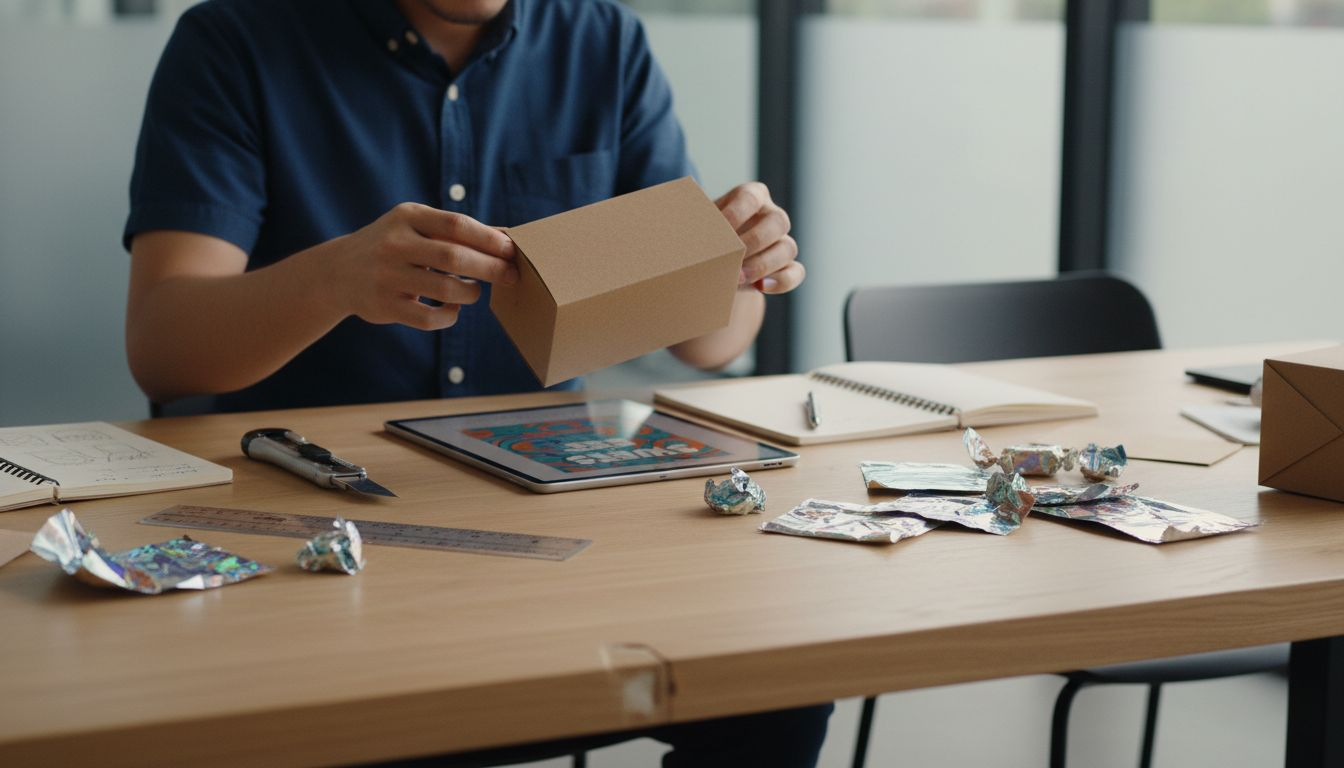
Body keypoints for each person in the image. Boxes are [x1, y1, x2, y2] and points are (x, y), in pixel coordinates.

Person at [123, 0, 829, 765]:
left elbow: (704, 341)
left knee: (782, 680)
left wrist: (741, 267)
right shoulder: (236, 38)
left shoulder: (603, 40)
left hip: (551, 526)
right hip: (310, 538)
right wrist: (332, 279)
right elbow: (164, 348)